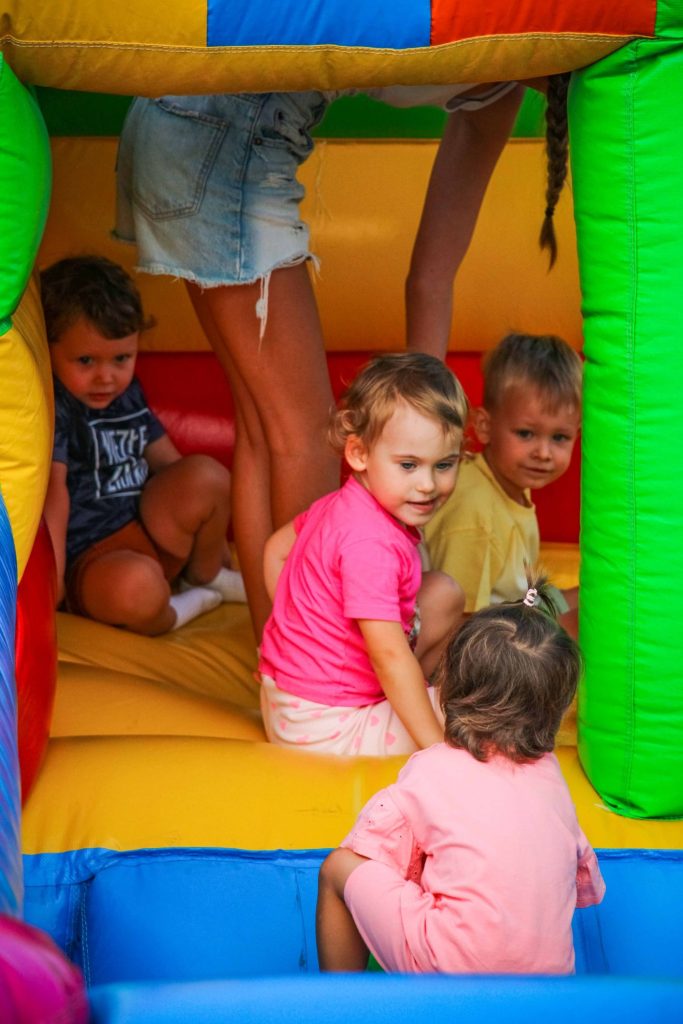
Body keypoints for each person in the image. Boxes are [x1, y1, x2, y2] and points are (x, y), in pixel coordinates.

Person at [114, 77, 568, 639]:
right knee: (306, 432)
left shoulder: (500, 89)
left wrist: (423, 422)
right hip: (222, 134)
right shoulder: (495, 37)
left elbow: (430, 278)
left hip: (180, 119)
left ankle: (278, 660)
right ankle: (318, 664)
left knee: (263, 428)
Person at [316, 576, 605, 974]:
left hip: (450, 972)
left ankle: (339, 998)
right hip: (551, 982)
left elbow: (373, 847)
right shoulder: (552, 777)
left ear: (448, 687)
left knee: (338, 868)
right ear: (557, 709)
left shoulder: (432, 767)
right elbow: (581, 876)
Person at [258, 353, 467, 755]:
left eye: (444, 465)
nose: (428, 484)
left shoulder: (343, 504)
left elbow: (275, 552)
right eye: (409, 465)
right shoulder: (371, 543)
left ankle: (397, 696)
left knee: (444, 592)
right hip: (328, 728)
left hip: (288, 701)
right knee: (475, 711)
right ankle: (404, 712)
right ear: (358, 453)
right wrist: (434, 749)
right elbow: (388, 655)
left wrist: (301, 639)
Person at [42, 255, 246, 635]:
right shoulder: (58, 407)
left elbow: (168, 462)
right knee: (136, 589)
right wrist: (52, 581)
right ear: (47, 348)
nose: (106, 377)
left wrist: (211, 532)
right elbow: (55, 493)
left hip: (151, 527)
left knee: (207, 474)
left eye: (121, 358)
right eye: (86, 360)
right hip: (96, 559)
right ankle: (175, 611)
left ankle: (206, 575)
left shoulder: (126, 393)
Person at [425, 332, 581, 631]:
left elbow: (521, 592)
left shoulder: (508, 483)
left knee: (600, 597)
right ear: (485, 426)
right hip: (481, 635)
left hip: (515, 605)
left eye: (559, 437)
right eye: (525, 433)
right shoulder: (475, 512)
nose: (543, 453)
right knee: (587, 626)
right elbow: (459, 626)